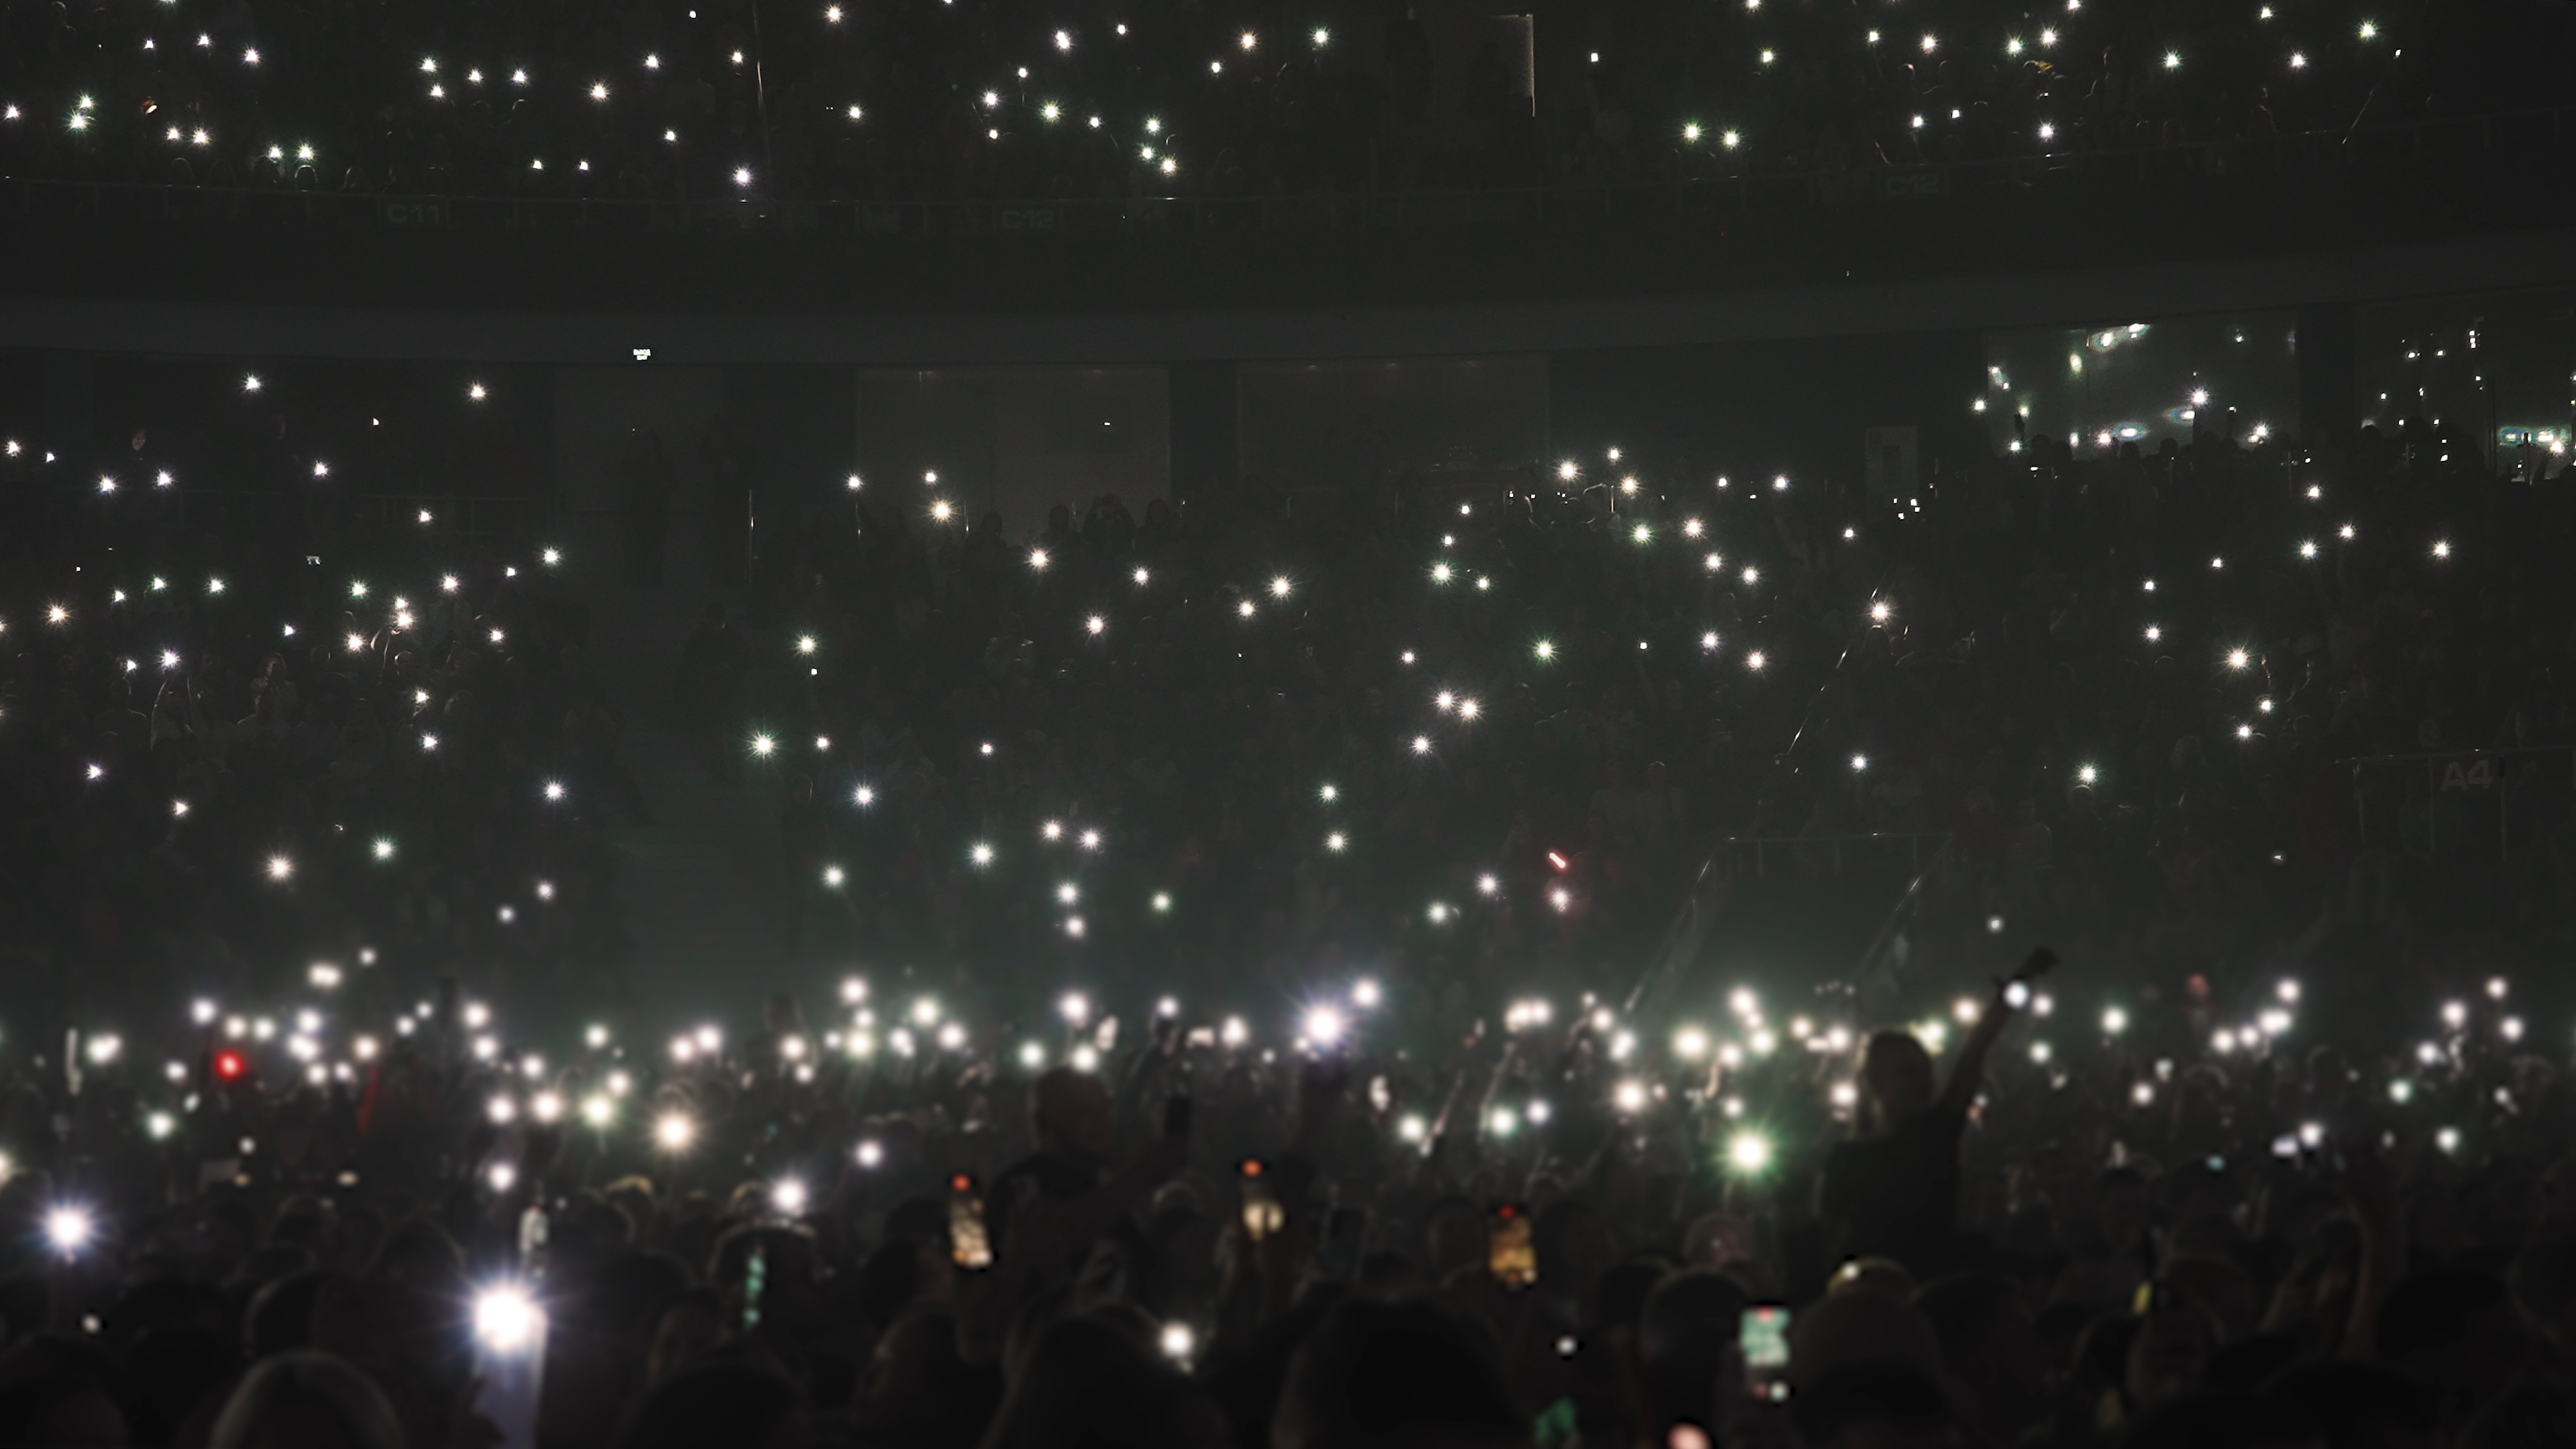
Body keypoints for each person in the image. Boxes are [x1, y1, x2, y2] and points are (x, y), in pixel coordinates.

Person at [1819, 947, 2057, 1277]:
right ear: (1876, 1080)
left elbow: (1977, 1048)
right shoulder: (1846, 1157)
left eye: (1925, 1070)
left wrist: (2018, 982)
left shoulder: (1936, 1131)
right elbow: (1829, 1237)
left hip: (1930, 1281)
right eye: (1907, 1071)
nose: (1923, 1081)